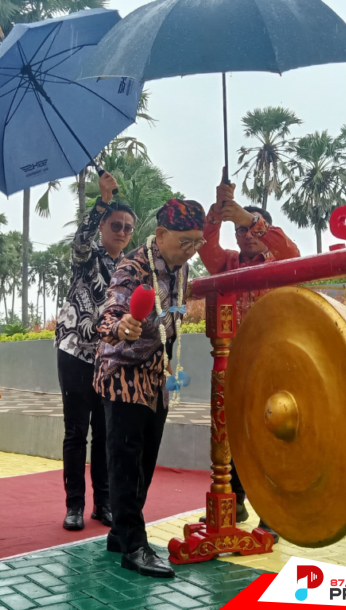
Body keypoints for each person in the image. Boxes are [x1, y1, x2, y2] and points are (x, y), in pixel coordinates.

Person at [94, 198, 206, 578]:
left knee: (145, 460)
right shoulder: (134, 266)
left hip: (156, 373)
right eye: (184, 241)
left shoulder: (181, 266)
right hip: (122, 370)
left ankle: (121, 534)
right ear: (160, 234)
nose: (191, 250)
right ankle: (134, 546)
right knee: (125, 461)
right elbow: (110, 312)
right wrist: (122, 325)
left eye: (197, 242)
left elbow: (170, 319)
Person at [198, 177, 300, 542]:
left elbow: (293, 254)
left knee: (269, 438)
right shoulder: (227, 263)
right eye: (240, 229)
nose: (246, 234)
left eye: (252, 227)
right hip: (235, 363)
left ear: (263, 228)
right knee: (235, 435)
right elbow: (205, 248)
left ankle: (270, 513)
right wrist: (218, 210)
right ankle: (236, 501)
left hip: (273, 366)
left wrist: (246, 216)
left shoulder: (279, 259)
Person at [55, 172, 135, 531]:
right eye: (115, 224)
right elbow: (81, 239)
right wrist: (101, 200)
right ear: (103, 226)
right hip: (74, 351)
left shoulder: (131, 268)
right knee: (76, 432)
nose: (121, 231)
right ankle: (74, 506)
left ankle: (103, 503)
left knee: (105, 432)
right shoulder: (87, 256)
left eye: (127, 227)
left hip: (109, 356)